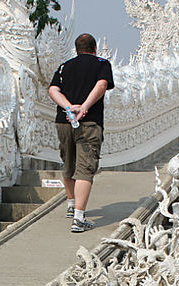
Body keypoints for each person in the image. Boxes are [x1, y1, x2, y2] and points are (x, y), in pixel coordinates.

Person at [48, 33, 115, 233]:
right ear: (94, 49)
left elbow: (53, 90)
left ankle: (71, 204)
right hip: (89, 122)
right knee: (85, 168)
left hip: (64, 121)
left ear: (76, 50)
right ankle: (79, 217)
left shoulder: (64, 67)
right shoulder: (101, 64)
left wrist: (69, 108)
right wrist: (83, 108)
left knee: (68, 164)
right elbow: (102, 85)